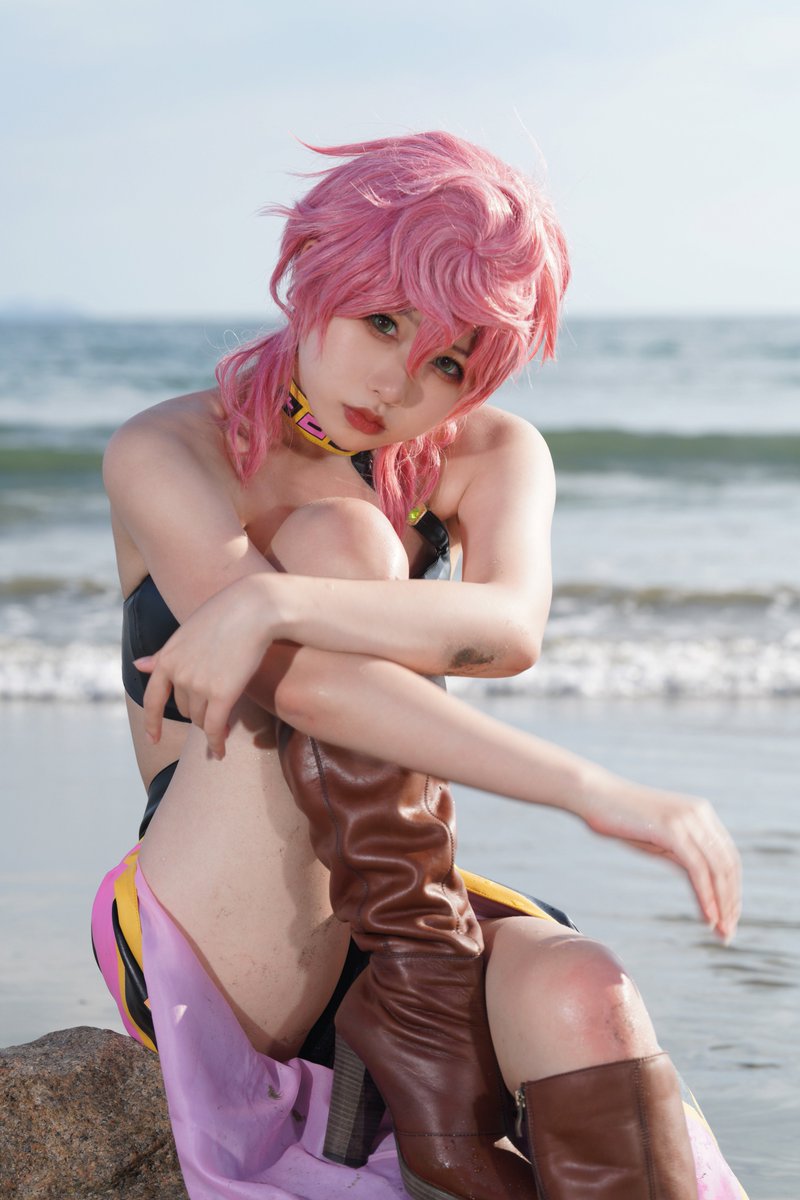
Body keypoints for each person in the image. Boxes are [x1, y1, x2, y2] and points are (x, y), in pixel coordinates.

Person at [92, 132, 746, 1200]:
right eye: (382, 321)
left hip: (401, 914)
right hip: (227, 910)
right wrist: (589, 789)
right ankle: (430, 1025)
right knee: (345, 536)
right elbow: (310, 689)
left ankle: (424, 1004)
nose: (398, 381)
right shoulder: (172, 449)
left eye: (448, 363)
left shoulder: (489, 454)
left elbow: (509, 629)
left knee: (584, 991)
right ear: (316, 272)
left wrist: (272, 597)